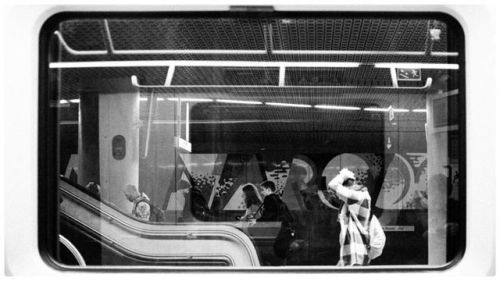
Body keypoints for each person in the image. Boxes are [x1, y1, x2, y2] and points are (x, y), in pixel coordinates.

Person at [328, 168, 371, 266]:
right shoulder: (358, 196)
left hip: (355, 250)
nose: (339, 196)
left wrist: (344, 175)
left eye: (340, 194)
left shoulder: (357, 196)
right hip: (354, 249)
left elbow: (333, 184)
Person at [257, 180, 295, 264]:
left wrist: (256, 221)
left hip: (275, 231)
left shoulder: (268, 199)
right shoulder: (280, 200)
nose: (261, 192)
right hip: (284, 231)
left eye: (262, 189)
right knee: (282, 255)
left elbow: (269, 216)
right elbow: (290, 218)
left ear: (268, 189)